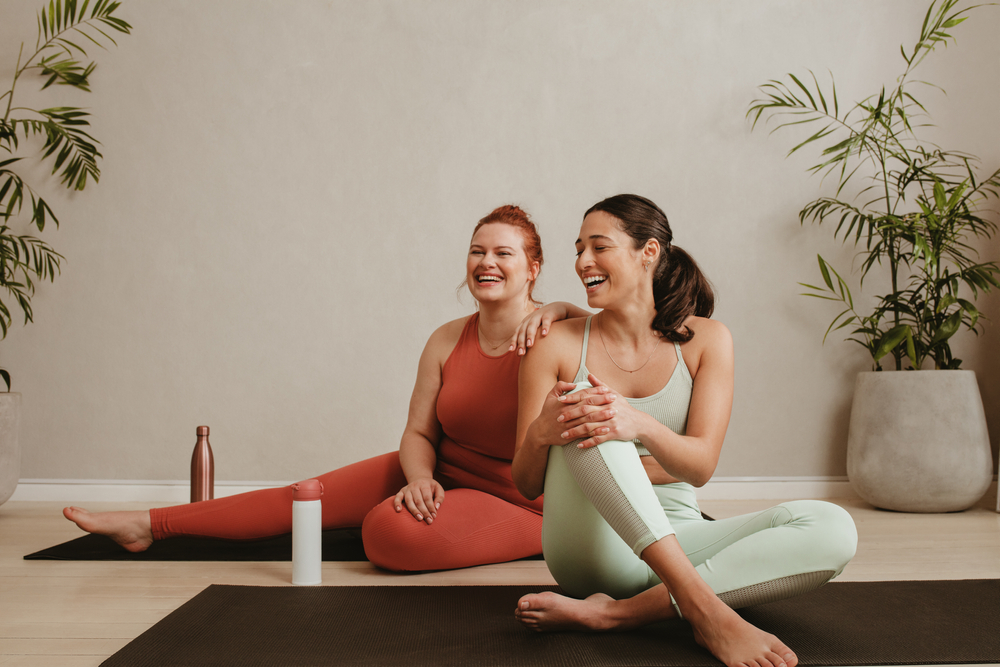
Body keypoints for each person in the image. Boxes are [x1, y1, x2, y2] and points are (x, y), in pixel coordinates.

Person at [63, 204, 586, 572]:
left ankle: (518, 541)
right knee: (302, 497)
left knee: (387, 534)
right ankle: (147, 525)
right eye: (477, 251)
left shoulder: (554, 332)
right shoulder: (446, 338)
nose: (486, 263)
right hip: (445, 470)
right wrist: (420, 477)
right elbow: (418, 432)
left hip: (522, 501)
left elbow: (609, 338)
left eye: (503, 254)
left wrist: (565, 307)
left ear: (533, 268)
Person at [510, 194, 857, 667]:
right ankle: (706, 611)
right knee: (593, 415)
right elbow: (526, 482)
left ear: (648, 251)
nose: (581, 262)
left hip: (682, 536)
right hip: (591, 547)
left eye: (598, 247)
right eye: (578, 249)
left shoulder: (708, 340)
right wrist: (542, 436)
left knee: (832, 528)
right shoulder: (556, 342)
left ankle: (618, 615)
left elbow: (699, 467)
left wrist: (641, 426)